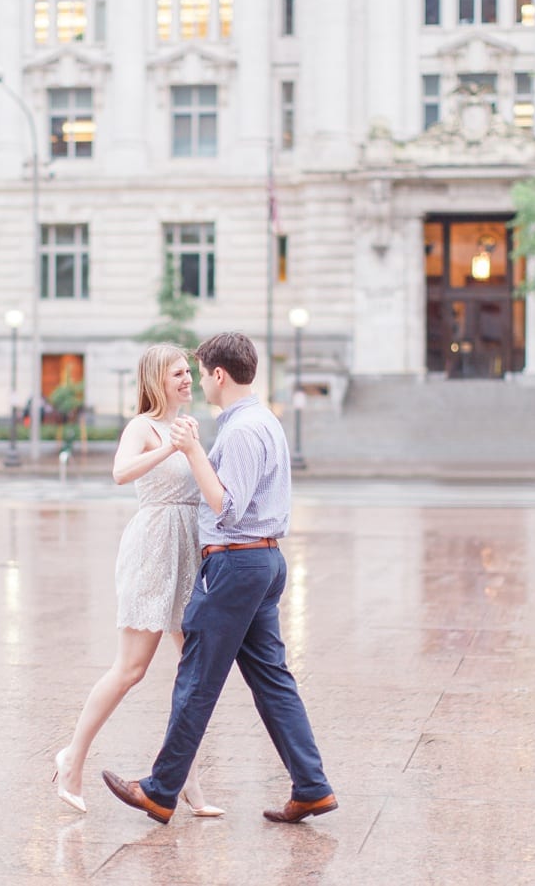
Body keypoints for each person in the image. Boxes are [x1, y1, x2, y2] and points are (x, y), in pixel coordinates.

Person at [102, 331, 336, 825]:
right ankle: (311, 786)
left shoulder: (243, 430)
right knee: (272, 681)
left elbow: (227, 506)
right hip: (259, 563)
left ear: (220, 375)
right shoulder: (261, 420)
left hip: (237, 563)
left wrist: (191, 453)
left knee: (196, 678)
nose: (198, 381)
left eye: (202, 373)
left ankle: (161, 791)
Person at [53, 343, 222, 818]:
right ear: (155, 380)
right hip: (152, 549)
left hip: (189, 550)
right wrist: (170, 446)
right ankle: (72, 758)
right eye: (177, 374)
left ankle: (187, 781)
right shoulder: (143, 427)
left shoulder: (190, 426)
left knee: (193, 675)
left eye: (189, 372)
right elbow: (119, 473)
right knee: (131, 669)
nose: (188, 379)